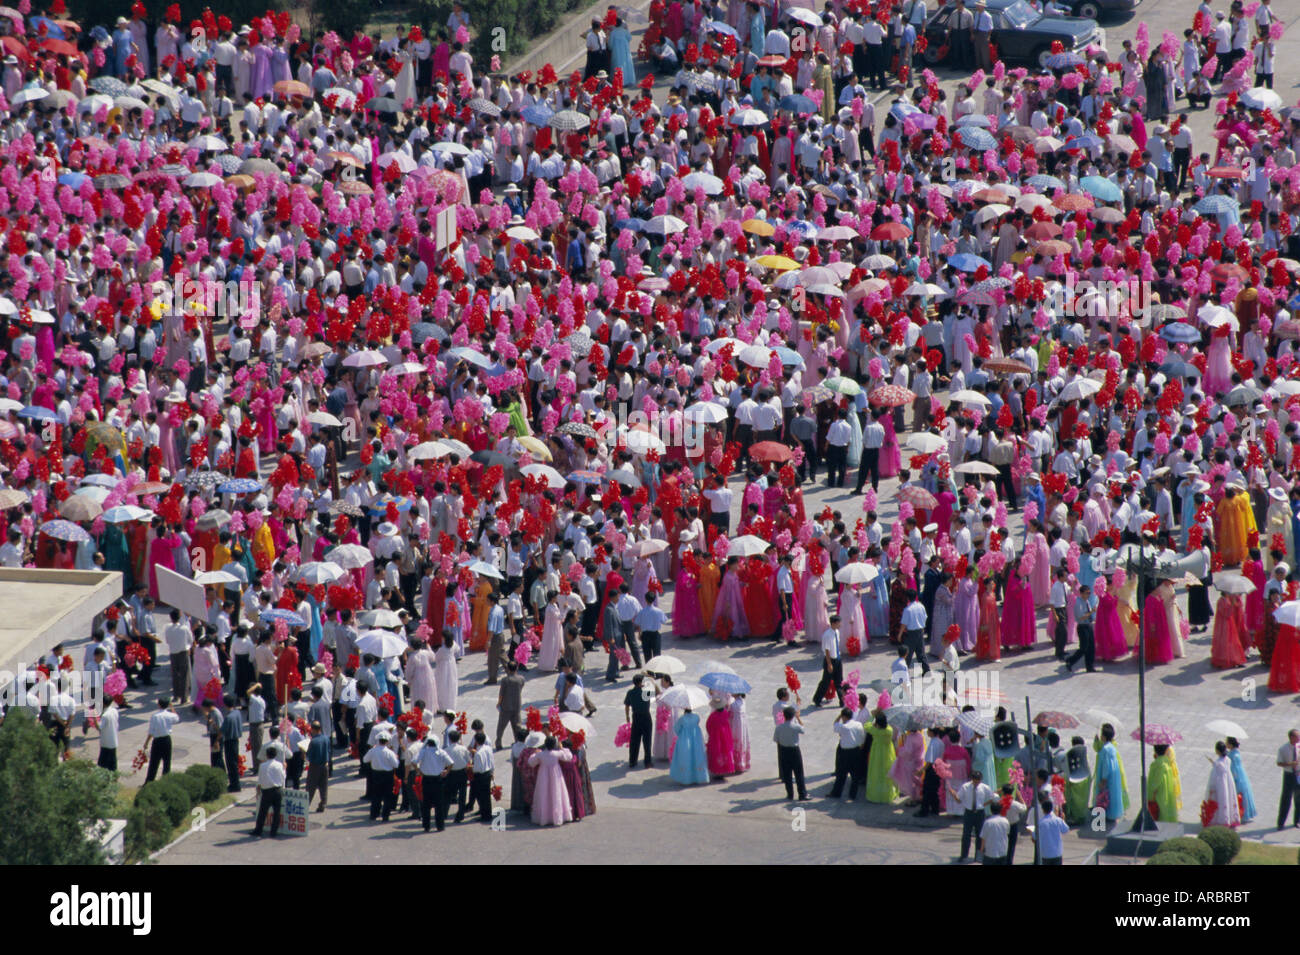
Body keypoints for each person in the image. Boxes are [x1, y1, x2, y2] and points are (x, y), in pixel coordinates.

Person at [529, 736, 575, 826]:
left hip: (543, 775)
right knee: (557, 793)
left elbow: (531, 762)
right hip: (556, 775)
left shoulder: (541, 754)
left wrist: (535, 753)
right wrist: (562, 748)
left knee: (544, 794)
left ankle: (544, 817)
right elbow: (569, 757)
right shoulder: (557, 753)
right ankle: (558, 817)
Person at [951, 770, 995, 861]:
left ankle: (978, 856)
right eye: (975, 780)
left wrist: (983, 805)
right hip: (969, 813)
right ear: (972, 779)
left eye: (978, 780)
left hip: (979, 813)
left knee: (980, 835)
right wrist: (954, 795)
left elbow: (991, 798)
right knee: (966, 835)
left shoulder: (985, 787)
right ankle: (964, 855)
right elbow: (959, 799)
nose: (977, 782)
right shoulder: (965, 787)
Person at [773, 706, 810, 800]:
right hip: (794, 751)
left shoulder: (779, 727)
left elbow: (776, 740)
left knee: (787, 774)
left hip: (783, 751)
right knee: (799, 773)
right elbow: (803, 730)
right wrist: (798, 718)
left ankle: (790, 794)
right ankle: (802, 794)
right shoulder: (795, 726)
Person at [362, 731, 400, 822]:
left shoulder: (373, 750)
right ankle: (385, 815)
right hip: (387, 775)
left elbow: (365, 759)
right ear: (387, 741)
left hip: (376, 774)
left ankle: (374, 814)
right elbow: (396, 765)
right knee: (387, 796)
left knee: (376, 795)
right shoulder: (389, 753)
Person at [830, 707, 866, 800]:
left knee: (841, 774)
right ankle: (852, 795)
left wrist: (838, 716)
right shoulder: (858, 724)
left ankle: (836, 793)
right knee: (855, 775)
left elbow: (835, 724)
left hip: (845, 752)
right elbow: (862, 737)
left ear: (844, 717)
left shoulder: (843, 726)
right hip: (856, 751)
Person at [251, 744, 286, 838]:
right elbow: (283, 777)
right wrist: (285, 768)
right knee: (277, 812)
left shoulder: (262, 765)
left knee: (262, 812)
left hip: (267, 791)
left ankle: (258, 830)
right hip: (278, 790)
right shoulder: (279, 765)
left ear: (267, 755)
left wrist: (258, 788)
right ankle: (273, 832)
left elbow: (260, 779)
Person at [1204, 740, 1241, 827]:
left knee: (1221, 800)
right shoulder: (1227, 759)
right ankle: (1230, 818)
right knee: (1228, 799)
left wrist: (1214, 763)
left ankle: (1221, 820)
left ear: (1217, 751)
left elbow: (1216, 773)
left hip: (1220, 785)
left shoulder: (1219, 763)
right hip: (1228, 783)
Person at [670, 707, 710, 784]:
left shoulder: (682, 719)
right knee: (696, 757)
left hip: (684, 740)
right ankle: (697, 776)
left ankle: (685, 777)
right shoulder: (696, 717)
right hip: (696, 740)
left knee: (685, 757)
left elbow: (676, 729)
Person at [144, 697, 180, 782]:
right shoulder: (170, 715)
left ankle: (149, 781)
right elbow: (177, 718)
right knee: (167, 762)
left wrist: (146, 743)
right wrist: (172, 707)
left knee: (154, 762)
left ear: (158, 704)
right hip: (167, 740)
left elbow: (151, 731)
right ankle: (166, 781)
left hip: (157, 741)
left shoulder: (155, 716)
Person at [813, 613, 845, 707]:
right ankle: (817, 699)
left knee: (839, 681)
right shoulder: (827, 635)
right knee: (826, 682)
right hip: (830, 660)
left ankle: (842, 700)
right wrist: (829, 664)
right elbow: (827, 650)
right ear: (834, 623)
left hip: (838, 659)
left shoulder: (837, 632)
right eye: (839, 623)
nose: (840, 624)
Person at [865, 711, 898, 803]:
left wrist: (872, 716)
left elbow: (866, 725)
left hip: (877, 752)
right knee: (887, 771)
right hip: (888, 752)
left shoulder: (875, 731)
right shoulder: (889, 730)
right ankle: (888, 793)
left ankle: (875, 794)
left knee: (876, 771)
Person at [624, 673, 655, 769]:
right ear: (641, 682)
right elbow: (657, 690)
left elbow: (627, 705)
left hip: (636, 717)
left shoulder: (630, 692)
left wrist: (627, 717)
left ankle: (632, 761)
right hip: (646, 717)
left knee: (634, 740)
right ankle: (647, 762)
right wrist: (650, 678)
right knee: (647, 740)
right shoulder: (646, 692)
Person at [1147, 743, 1181, 822]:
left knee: (1161, 811)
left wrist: (1151, 794)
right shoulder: (1168, 762)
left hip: (1160, 792)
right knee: (1168, 808)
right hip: (1168, 791)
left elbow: (1155, 782)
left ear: (1155, 751)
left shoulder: (1157, 764)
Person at [1225, 737, 1256, 824]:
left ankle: (1240, 813)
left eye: (1227, 742)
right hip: (1241, 777)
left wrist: (1233, 779)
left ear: (1230, 744)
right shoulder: (1235, 753)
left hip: (1237, 779)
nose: (1226, 744)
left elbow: (1234, 769)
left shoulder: (1233, 756)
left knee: (1237, 796)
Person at [1033, 798, 1070, 864]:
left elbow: (1034, 837)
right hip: (1057, 853)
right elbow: (1065, 830)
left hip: (1045, 854)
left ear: (1043, 809)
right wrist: (1063, 819)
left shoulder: (1040, 823)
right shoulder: (1058, 820)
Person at [220, 696, 244, 793]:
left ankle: (234, 785)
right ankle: (236, 783)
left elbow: (222, 730)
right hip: (236, 740)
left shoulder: (228, 717)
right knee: (234, 763)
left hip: (229, 741)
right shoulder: (237, 713)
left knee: (231, 764)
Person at [305, 721, 330, 812]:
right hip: (325, 765)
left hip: (315, 766)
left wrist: (304, 752)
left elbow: (309, 756)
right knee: (323, 786)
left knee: (310, 787)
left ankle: (305, 806)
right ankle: (323, 804)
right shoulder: (326, 738)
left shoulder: (313, 741)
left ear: (313, 729)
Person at [979, 800, 1011, 865]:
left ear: (991, 810)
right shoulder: (1006, 821)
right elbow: (1007, 834)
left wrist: (981, 849)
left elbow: (983, 837)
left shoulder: (987, 822)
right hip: (1002, 851)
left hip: (990, 852)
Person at [97, 698, 120, 772]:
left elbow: (99, 727)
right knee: (113, 763)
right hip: (113, 741)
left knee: (102, 764)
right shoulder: (114, 711)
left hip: (106, 742)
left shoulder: (105, 716)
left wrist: (94, 719)